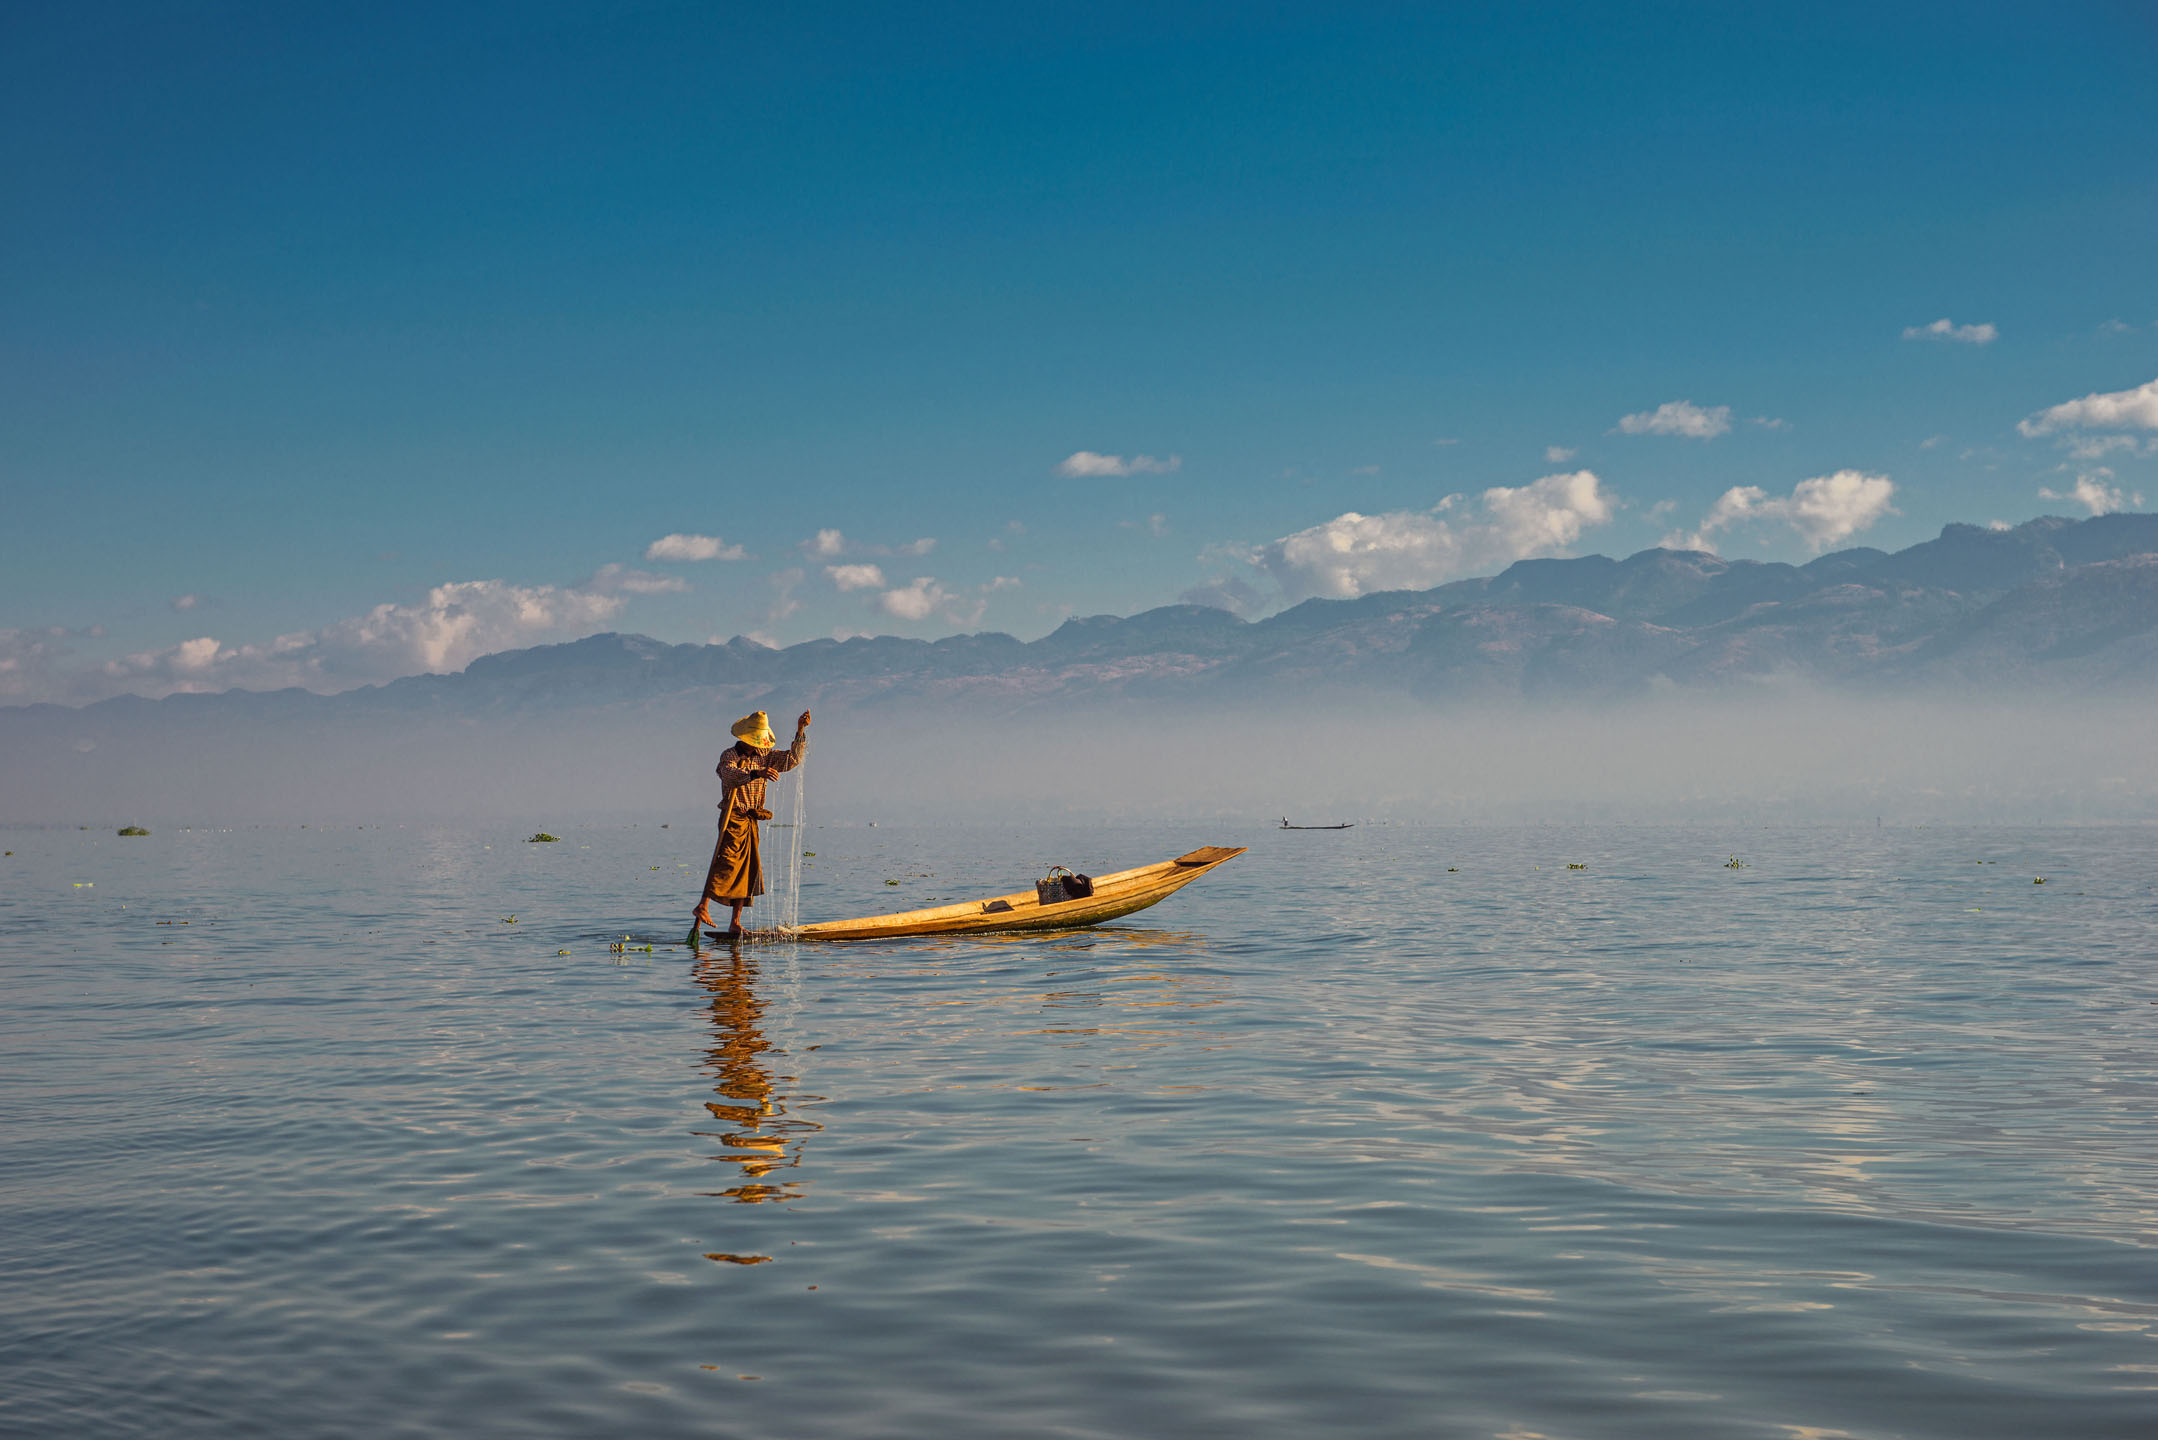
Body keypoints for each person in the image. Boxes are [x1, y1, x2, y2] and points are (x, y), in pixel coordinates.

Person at [688, 708, 811, 943]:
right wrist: (756, 773)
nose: (759, 746)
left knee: (748, 869)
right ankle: (702, 906)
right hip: (733, 816)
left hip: (751, 818)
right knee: (726, 862)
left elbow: (791, 760)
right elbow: (728, 775)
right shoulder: (730, 755)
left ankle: (735, 923)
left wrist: (800, 730)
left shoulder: (764, 754)